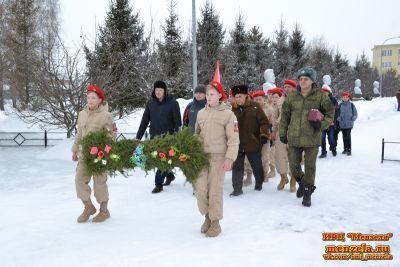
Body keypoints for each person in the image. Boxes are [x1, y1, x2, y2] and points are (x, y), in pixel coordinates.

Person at [279, 67, 334, 207]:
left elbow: (330, 113)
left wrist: (321, 124)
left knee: (310, 167)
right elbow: (285, 116)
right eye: (301, 79)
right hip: (294, 137)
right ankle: (303, 184)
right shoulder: (292, 96)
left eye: (306, 79)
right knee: (293, 165)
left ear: (312, 80)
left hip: (312, 138)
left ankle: (307, 193)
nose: (303, 81)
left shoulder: (320, 96)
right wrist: (282, 132)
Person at [194, 80, 239, 237]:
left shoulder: (229, 114)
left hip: (219, 157)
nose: (208, 97)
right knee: (200, 189)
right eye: (207, 94)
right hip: (201, 156)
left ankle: (215, 222)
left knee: (214, 191)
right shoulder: (201, 113)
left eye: (212, 94)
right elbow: (196, 134)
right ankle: (207, 216)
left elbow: (234, 140)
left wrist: (230, 159)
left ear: (220, 95)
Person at [72, 84, 115, 223]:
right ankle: (88, 207)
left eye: (93, 98)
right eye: (88, 97)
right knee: (79, 180)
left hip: (99, 156)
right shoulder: (82, 114)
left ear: (100, 100)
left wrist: (103, 149)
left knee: (100, 183)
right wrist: (75, 150)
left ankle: (104, 211)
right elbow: (79, 134)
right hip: (84, 154)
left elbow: (111, 136)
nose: (90, 100)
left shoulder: (106, 115)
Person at [136, 80, 182, 193]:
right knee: (159, 159)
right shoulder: (150, 103)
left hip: (168, 138)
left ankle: (158, 184)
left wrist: (177, 136)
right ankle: (170, 175)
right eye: (156, 90)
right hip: (154, 137)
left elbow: (178, 122)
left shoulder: (173, 103)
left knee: (162, 159)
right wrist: (138, 137)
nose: (158, 92)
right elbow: (144, 121)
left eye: (160, 90)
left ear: (165, 91)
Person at [230, 85, 271, 196]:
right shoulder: (231, 109)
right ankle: (237, 189)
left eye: (240, 96)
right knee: (237, 166)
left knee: (256, 165)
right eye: (236, 96)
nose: (238, 99)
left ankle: (259, 182)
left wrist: (263, 135)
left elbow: (264, 122)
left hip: (252, 141)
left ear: (246, 96)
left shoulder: (255, 107)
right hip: (237, 143)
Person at [319, 88, 339, 158]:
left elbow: (336, 112)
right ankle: (323, 152)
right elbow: (318, 112)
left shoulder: (333, 100)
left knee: (331, 138)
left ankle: (333, 149)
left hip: (331, 123)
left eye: (325, 92)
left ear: (328, 92)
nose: (324, 93)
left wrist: (333, 121)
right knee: (322, 138)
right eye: (323, 92)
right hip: (323, 123)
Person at [337, 91, 358, 156]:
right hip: (342, 124)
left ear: (348, 98)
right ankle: (345, 149)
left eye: (346, 97)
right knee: (344, 136)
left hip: (349, 124)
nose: (345, 98)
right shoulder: (340, 105)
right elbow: (337, 113)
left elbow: (355, 113)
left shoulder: (351, 105)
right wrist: (339, 118)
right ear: (342, 98)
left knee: (348, 136)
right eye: (344, 97)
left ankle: (349, 149)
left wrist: (353, 118)